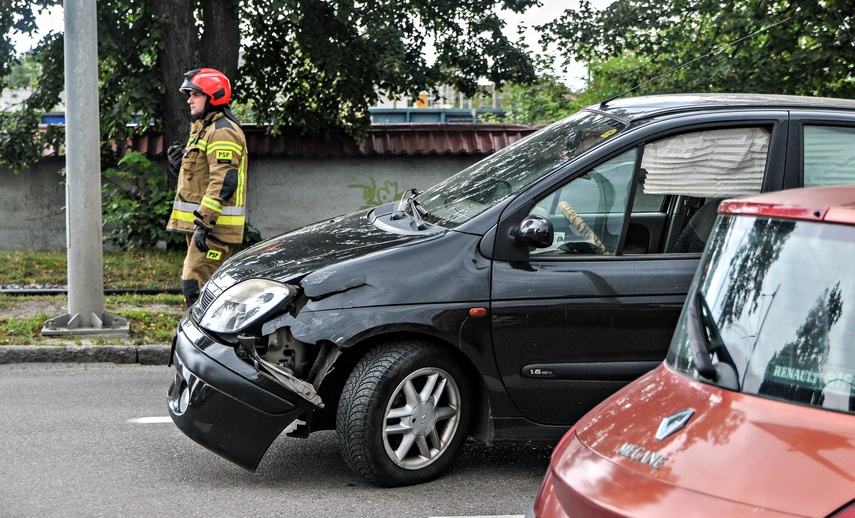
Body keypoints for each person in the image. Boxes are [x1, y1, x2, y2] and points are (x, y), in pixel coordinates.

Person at [166, 68, 248, 306]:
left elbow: (224, 181)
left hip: (214, 229)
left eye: (195, 94)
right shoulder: (206, 129)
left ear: (213, 96)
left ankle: (208, 341)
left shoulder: (222, 131)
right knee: (207, 291)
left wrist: (203, 223)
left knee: (196, 286)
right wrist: (179, 165)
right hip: (203, 227)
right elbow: (203, 176)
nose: (189, 100)